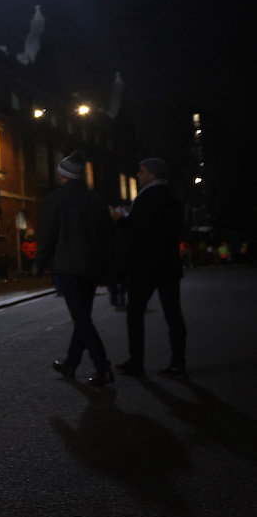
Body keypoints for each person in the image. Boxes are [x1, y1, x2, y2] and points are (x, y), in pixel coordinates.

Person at [36, 150, 114, 386]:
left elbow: (48, 234)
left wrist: (40, 262)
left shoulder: (56, 198)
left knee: (81, 319)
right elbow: (107, 237)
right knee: (83, 317)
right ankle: (71, 363)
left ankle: (103, 367)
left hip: (68, 266)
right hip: (91, 268)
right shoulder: (97, 200)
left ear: (64, 176)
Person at [114, 158, 188, 378]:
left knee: (135, 314)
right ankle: (178, 362)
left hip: (144, 266)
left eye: (142, 171)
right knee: (173, 315)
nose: (138, 175)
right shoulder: (173, 199)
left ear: (153, 175)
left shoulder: (145, 198)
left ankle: (136, 361)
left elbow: (137, 233)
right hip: (169, 265)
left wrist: (120, 219)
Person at [107, 199, 132, 310]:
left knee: (114, 276)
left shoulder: (112, 223)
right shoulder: (124, 221)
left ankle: (115, 296)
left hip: (114, 253)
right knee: (121, 276)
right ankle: (120, 295)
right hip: (121, 252)